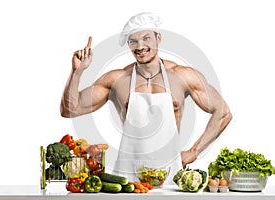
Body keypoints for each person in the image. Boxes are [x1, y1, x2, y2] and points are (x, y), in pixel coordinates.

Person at [60, 12, 232, 183]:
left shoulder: (183, 75)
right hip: (127, 180)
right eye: (133, 41)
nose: (140, 46)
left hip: (171, 176)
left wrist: (194, 151)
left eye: (146, 38)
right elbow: (70, 109)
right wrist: (77, 71)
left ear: (158, 38)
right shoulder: (117, 80)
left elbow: (223, 113)